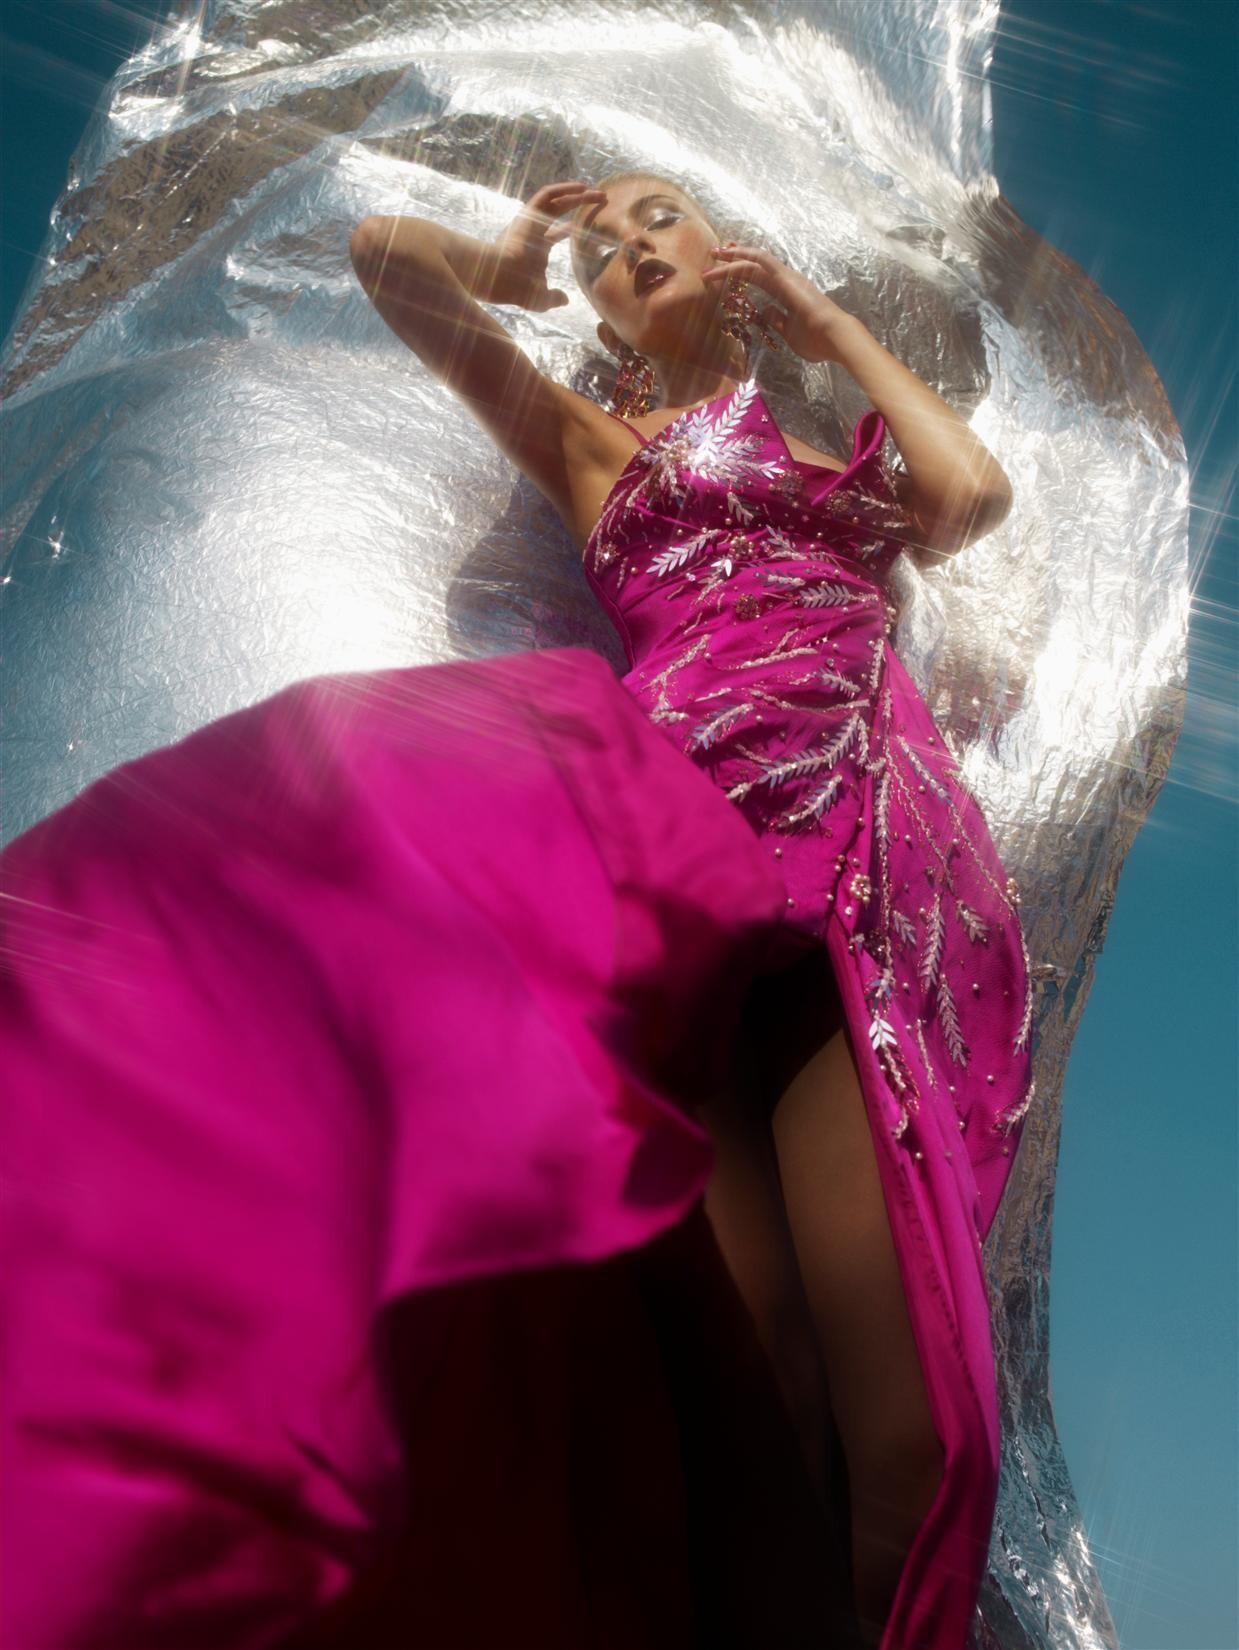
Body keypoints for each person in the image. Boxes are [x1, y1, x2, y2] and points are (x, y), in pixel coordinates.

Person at [0, 171, 1033, 1650]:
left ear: (726, 256)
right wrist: (512, 255)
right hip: (679, 847)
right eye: (601, 242)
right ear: (595, 307)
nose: (626, 243)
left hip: (860, 850)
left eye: (654, 216)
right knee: (758, 1396)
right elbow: (385, 257)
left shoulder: (829, 467)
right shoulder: (594, 447)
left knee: (915, 1442)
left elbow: (969, 494)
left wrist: (821, 319)